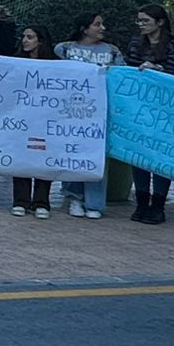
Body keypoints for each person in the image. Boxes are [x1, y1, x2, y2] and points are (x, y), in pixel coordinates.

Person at [126, 4, 174, 226]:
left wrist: (157, 70)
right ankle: (142, 200)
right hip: (140, 104)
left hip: (166, 107)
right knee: (140, 152)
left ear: (160, 22)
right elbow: (130, 69)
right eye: (139, 21)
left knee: (162, 154)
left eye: (146, 21)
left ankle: (159, 203)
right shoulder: (136, 43)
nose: (141, 25)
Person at [55, 13, 121, 219]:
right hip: (71, 112)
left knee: (97, 154)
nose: (102, 28)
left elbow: (122, 75)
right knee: (73, 152)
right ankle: (74, 196)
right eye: (97, 24)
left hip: (101, 111)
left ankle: (94, 203)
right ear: (85, 28)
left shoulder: (111, 51)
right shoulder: (64, 48)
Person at [9, 25, 58, 217]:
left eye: (30, 37)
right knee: (21, 155)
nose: (25, 40)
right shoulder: (15, 61)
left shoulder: (57, 63)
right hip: (21, 118)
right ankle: (20, 200)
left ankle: (41, 202)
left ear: (41, 40)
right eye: (24, 36)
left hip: (46, 120)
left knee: (44, 157)